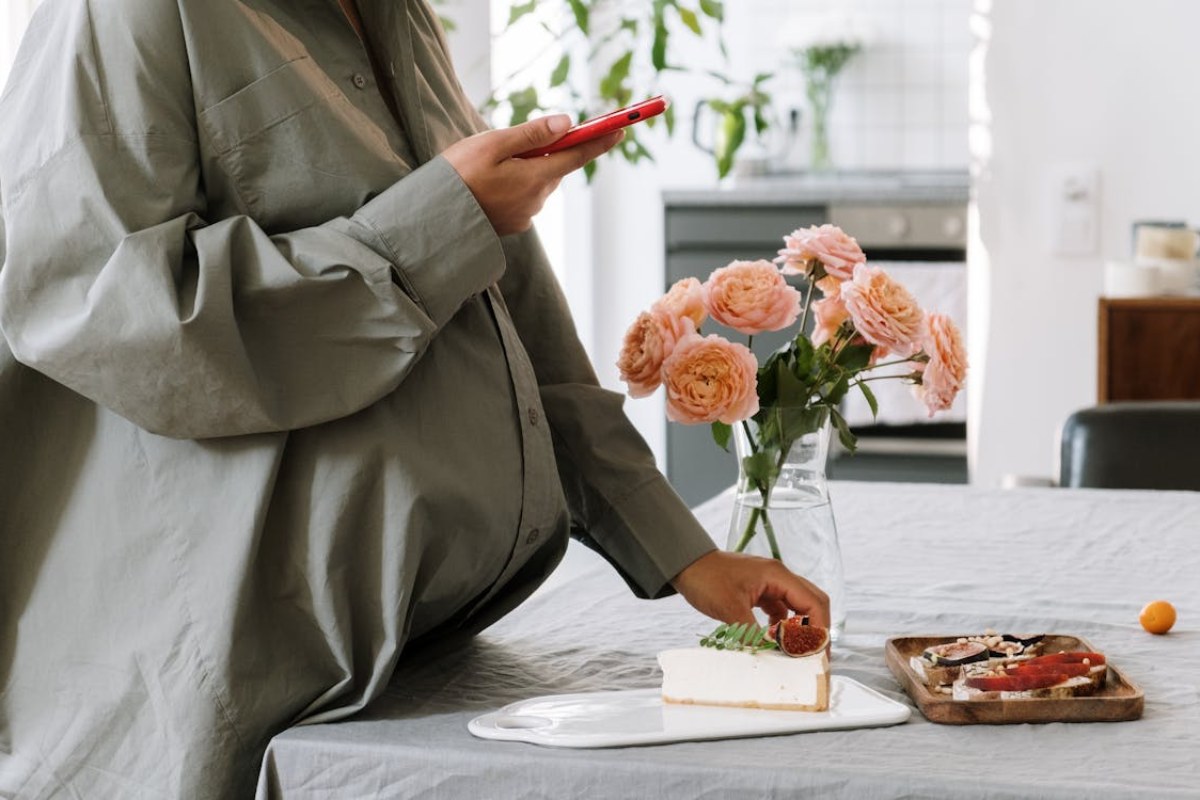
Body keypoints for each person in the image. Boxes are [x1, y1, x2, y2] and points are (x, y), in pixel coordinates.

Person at [0, 0, 829, 797]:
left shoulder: (400, 13)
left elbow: (513, 302)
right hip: (236, 684)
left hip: (426, 658)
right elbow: (105, 316)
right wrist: (434, 227)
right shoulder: (125, 12)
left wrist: (682, 553)